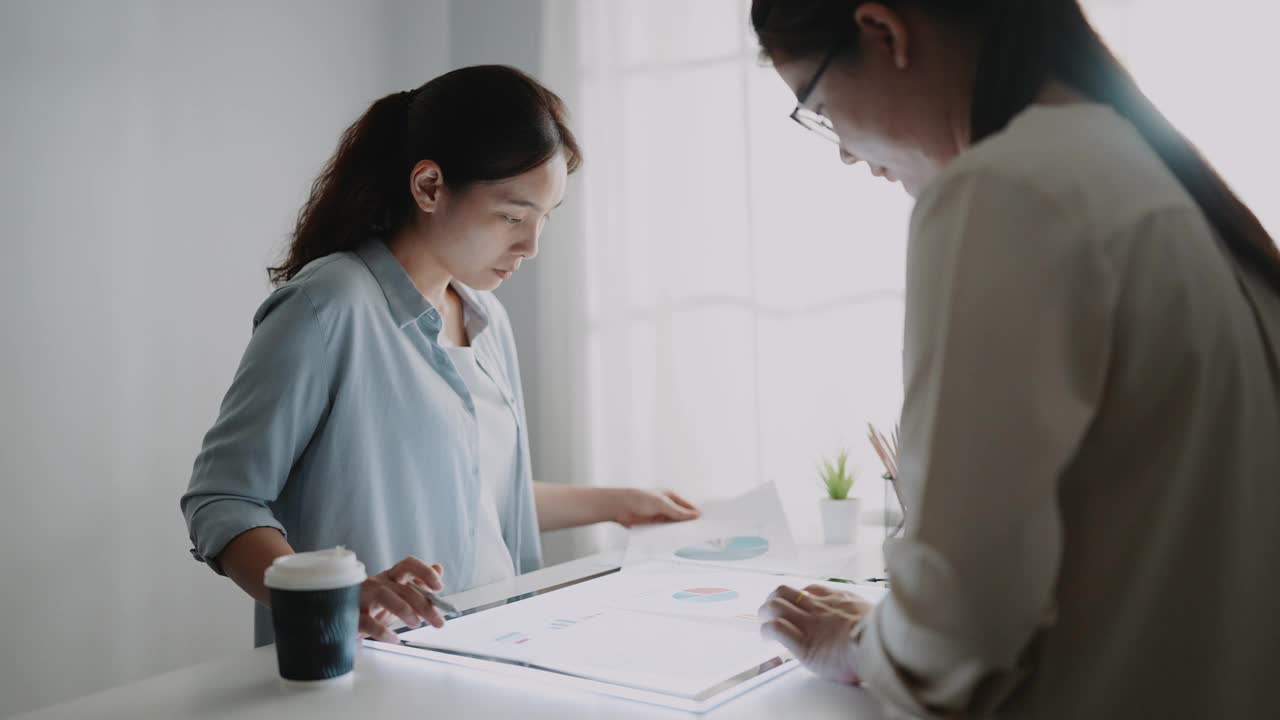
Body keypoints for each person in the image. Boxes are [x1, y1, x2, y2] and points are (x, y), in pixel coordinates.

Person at [750, 1, 1280, 717]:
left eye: (814, 104)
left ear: (884, 32)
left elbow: (956, 630)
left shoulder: (1007, 190)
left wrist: (859, 642)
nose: (845, 150)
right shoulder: (1165, 184)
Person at [180, 65, 700, 648]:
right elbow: (223, 498)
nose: (530, 246)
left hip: (497, 651)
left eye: (543, 219)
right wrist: (330, 598)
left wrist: (620, 503)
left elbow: (472, 491)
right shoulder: (329, 307)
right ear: (428, 187)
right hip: (367, 670)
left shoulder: (486, 319)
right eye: (512, 216)